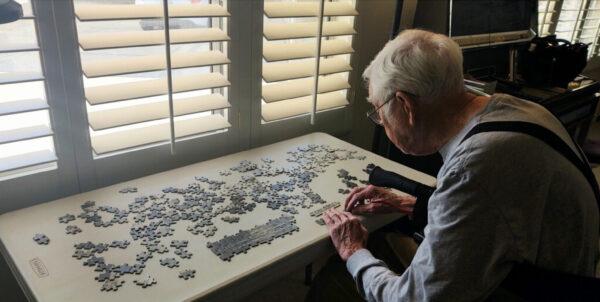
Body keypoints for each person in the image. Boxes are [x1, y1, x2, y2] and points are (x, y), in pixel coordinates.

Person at [308, 29, 599, 301]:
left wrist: (353, 252)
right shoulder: (517, 107)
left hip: (531, 290)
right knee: (388, 241)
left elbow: (413, 299)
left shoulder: (473, 167)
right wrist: (416, 204)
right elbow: (497, 213)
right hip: (562, 272)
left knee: (337, 278)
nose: (381, 122)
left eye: (380, 112)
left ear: (405, 106)